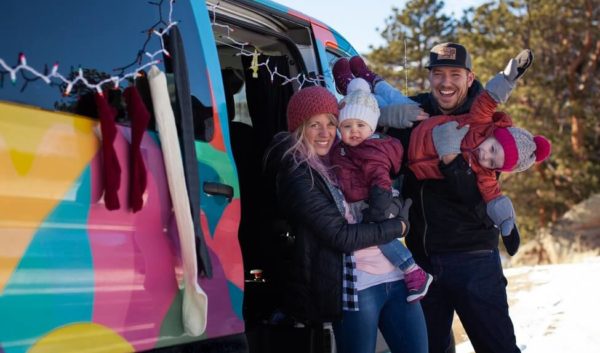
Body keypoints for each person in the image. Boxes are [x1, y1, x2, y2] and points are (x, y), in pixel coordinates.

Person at [377, 42, 528, 353]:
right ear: (430, 76)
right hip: (422, 260)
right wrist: (385, 115)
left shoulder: (484, 121)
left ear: (470, 77)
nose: (446, 83)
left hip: (472, 259)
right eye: (438, 73)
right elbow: (363, 132)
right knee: (430, 348)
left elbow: (476, 198)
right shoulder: (414, 110)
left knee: (497, 347)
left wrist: (451, 159)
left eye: (455, 74)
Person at [333, 48, 551, 256]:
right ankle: (367, 79)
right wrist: (509, 77)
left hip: (460, 248)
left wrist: (507, 225)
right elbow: (489, 99)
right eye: (438, 73)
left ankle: (354, 87)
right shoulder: (479, 121)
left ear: (469, 78)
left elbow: (493, 197)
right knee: (396, 99)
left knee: (380, 104)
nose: (487, 157)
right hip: (422, 122)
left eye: (494, 162)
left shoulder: (483, 171)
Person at [264, 85, 428, 353]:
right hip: (358, 285)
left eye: (330, 123)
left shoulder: (344, 154)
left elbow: (384, 182)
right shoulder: (297, 174)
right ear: (299, 128)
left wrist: (393, 204)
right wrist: (396, 226)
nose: (325, 132)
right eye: (314, 125)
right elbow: (341, 236)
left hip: (397, 276)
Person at [329, 77, 433, 303]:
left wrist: (376, 213)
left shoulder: (371, 150)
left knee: (379, 237)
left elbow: (379, 181)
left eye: (360, 126)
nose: (354, 131)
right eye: (347, 126)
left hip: (375, 201)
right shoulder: (346, 149)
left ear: (372, 127)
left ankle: (412, 269)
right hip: (362, 201)